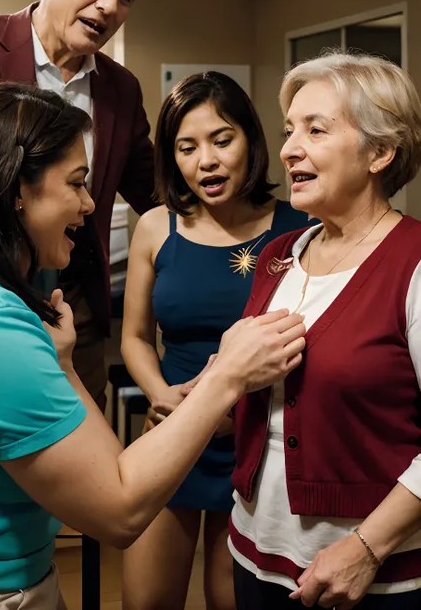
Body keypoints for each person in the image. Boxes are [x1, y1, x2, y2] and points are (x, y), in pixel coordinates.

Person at [0, 81, 306, 610]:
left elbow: (107, 468)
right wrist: (224, 378)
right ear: (15, 190)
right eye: (77, 183)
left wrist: (64, 366)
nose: (91, 204)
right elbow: (118, 509)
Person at [229, 51, 421, 610]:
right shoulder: (277, 255)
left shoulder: (412, 263)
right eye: (290, 130)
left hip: (368, 577)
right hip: (253, 552)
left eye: (316, 129)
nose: (289, 149)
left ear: (380, 152)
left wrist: (365, 547)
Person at [120, 72, 316, 610]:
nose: (205, 160)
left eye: (221, 140)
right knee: (146, 600)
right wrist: (160, 393)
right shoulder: (157, 227)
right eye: (187, 147)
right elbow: (135, 338)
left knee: (230, 599)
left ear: (251, 140)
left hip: (258, 442)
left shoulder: (299, 227)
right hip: (172, 433)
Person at [0, 0, 155, 408]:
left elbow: (158, 193)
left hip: (71, 313)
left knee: (85, 465)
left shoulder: (121, 90)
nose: (108, 5)